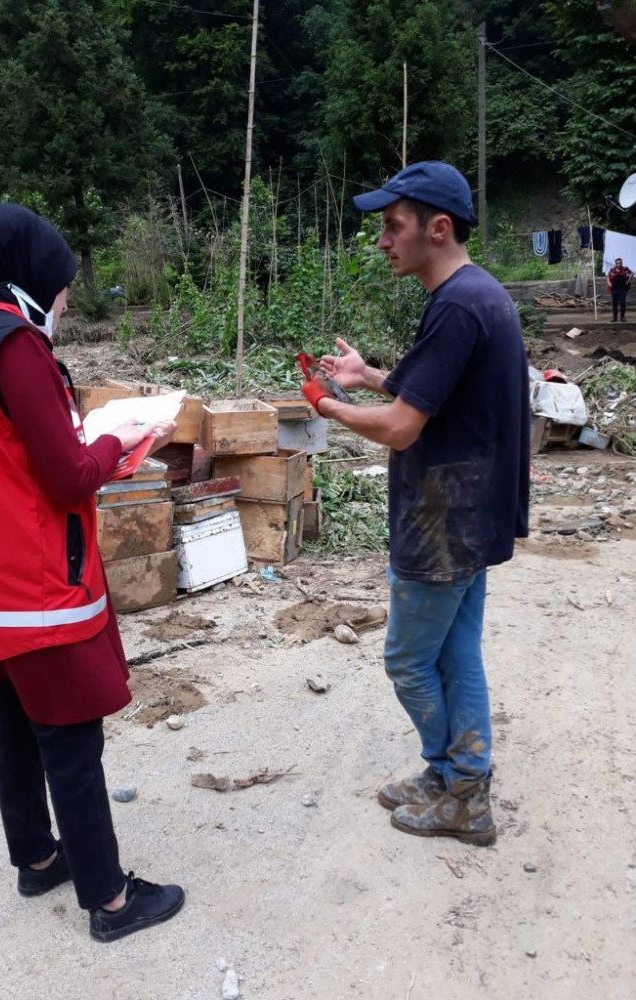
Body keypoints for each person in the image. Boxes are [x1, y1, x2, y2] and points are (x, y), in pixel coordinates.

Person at [0, 203, 185, 941]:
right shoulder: (16, 345)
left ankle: (36, 858)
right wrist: (121, 442)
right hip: (28, 581)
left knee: (15, 722)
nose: (64, 299)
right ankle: (112, 901)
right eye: (62, 286)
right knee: (69, 735)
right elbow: (67, 476)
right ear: (31, 275)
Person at [301, 162, 530, 847]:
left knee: (407, 660)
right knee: (457, 653)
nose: (382, 242)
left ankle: (463, 789)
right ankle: (455, 778)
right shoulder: (474, 295)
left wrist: (326, 404)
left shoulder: (458, 305)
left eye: (393, 227)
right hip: (471, 511)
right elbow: (432, 390)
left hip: (444, 519)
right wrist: (366, 375)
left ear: (438, 228)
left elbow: (403, 425)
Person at [607, 257, 632, 322]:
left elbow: (631, 274)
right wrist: (609, 284)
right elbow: (608, 277)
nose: (619, 264)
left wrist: (628, 281)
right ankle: (614, 318)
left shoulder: (625, 269)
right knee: (614, 304)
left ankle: (622, 317)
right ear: (615, 263)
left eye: (620, 263)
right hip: (614, 289)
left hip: (622, 289)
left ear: (621, 263)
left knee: (622, 303)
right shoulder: (612, 270)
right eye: (618, 263)